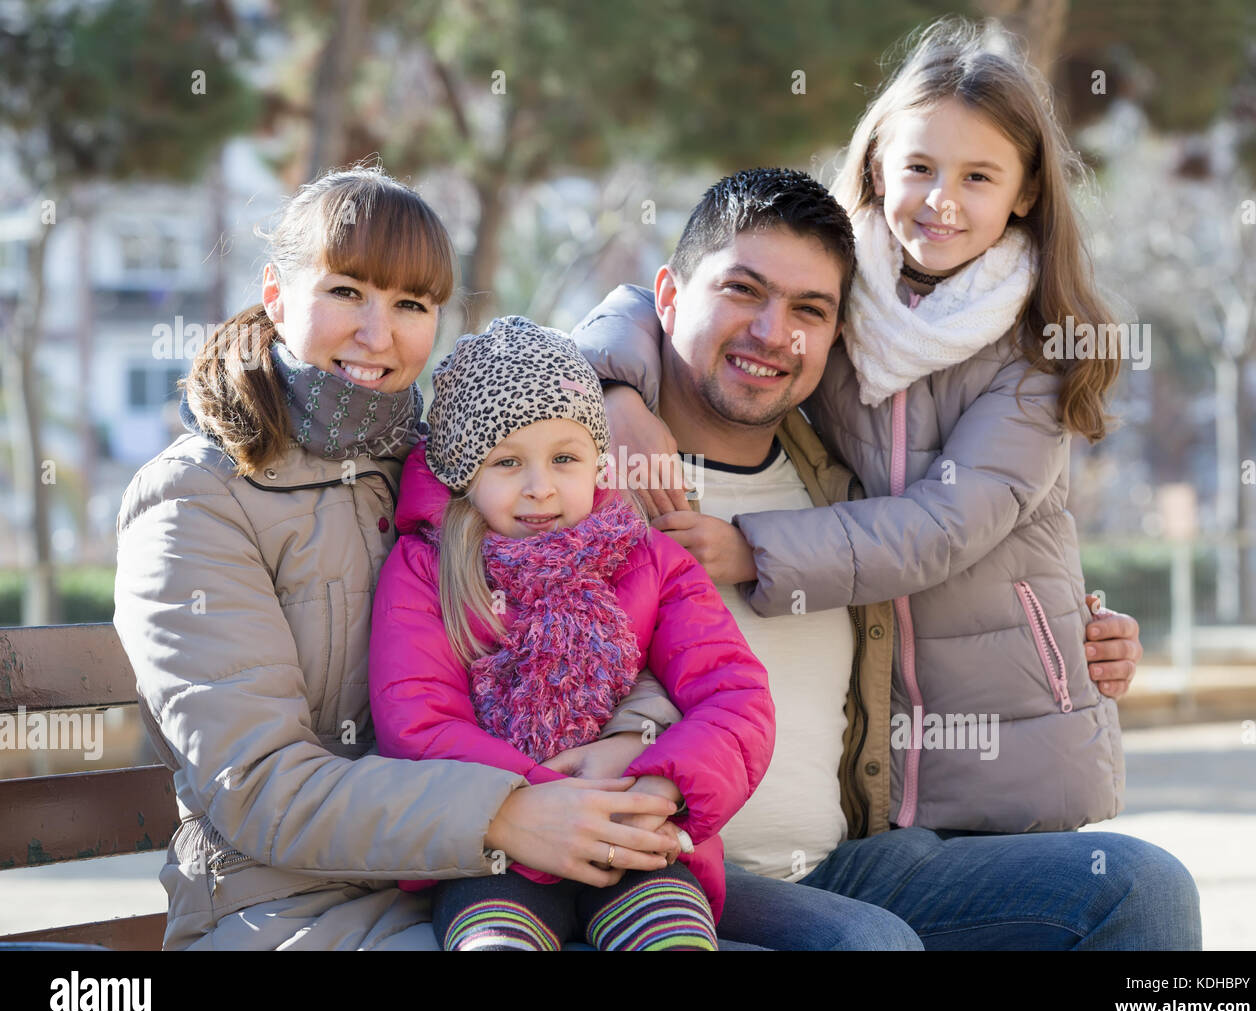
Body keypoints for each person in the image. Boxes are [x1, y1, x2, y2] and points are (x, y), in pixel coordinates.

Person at [575, 163, 1201, 945]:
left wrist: (1086, 629)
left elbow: (959, 560)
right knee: (869, 945)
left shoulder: (844, 485)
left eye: (810, 308)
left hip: (847, 865)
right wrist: (605, 390)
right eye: (743, 291)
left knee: (1141, 890)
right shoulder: (571, 471)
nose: (774, 333)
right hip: (666, 871)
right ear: (668, 297)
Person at [112, 165, 695, 951]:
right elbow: (258, 786)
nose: (378, 334)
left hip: (486, 879)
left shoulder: (451, 478)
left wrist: (633, 741)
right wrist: (503, 814)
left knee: (858, 937)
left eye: (411, 304)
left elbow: (623, 618)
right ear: (278, 294)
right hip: (291, 906)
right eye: (347, 291)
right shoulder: (195, 501)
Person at [366, 316, 780, 950]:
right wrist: (542, 801)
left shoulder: (648, 559)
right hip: (494, 849)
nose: (541, 488)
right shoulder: (428, 568)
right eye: (506, 462)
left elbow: (736, 696)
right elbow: (417, 722)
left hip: (636, 833)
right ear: (463, 476)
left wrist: (659, 784)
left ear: (596, 461)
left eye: (564, 458)